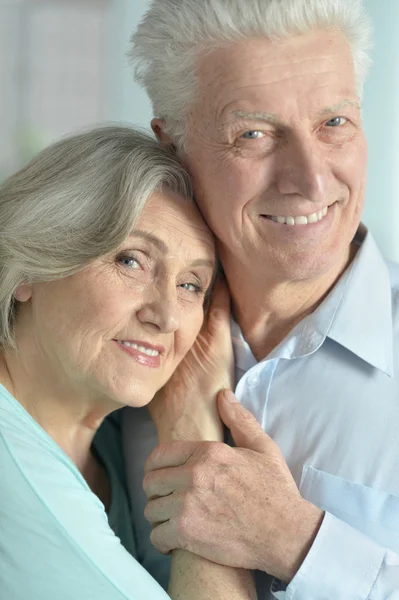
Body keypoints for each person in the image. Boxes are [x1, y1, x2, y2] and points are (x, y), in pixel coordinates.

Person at [123, 1, 399, 598]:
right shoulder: (119, 355)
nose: (312, 180)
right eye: (253, 133)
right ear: (173, 149)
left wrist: (293, 541)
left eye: (334, 122)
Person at [0, 125, 257, 600]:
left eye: (191, 285)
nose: (164, 316)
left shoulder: (113, 449)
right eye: (131, 261)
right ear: (31, 264)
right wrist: (192, 431)